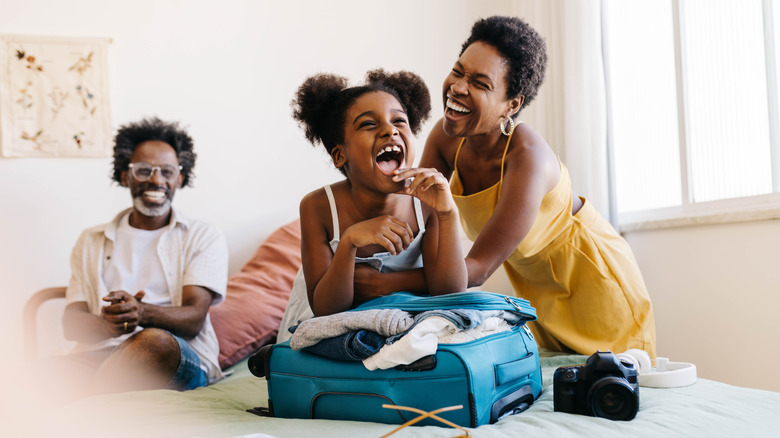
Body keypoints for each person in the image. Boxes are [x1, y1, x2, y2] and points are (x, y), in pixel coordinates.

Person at [411, 16, 657, 356]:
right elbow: (412, 224)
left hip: (594, 282)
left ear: (512, 105)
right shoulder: (446, 138)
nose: (458, 87)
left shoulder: (528, 157)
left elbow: (476, 270)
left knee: (614, 390)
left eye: (480, 83)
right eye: (458, 71)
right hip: (537, 292)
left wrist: (378, 283)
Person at [277, 69, 467, 343]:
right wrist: (349, 242)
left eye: (399, 121)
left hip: (396, 325)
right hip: (322, 326)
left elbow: (450, 293)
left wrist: (448, 214)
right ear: (340, 155)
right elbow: (326, 311)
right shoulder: (318, 206)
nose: (390, 130)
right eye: (368, 124)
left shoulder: (426, 202)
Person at [60, 117, 228, 396]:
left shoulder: (203, 236)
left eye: (167, 171)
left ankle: (90, 407)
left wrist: (141, 313)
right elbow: (71, 323)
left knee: (153, 343)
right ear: (125, 176)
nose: (156, 180)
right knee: (27, 377)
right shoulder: (91, 240)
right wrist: (106, 324)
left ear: (180, 179)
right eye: (144, 170)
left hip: (174, 355)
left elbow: (194, 317)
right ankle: (99, 398)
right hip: (99, 356)